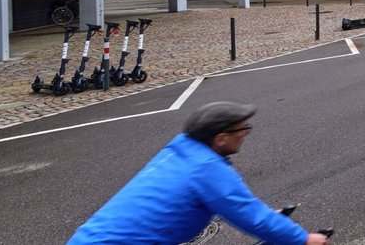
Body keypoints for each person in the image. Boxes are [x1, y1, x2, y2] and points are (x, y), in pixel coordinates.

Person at [68, 102, 329, 245]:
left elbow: (230, 206)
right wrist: (304, 239)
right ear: (220, 138)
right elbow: (252, 218)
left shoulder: (179, 151)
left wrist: (270, 220)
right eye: (242, 129)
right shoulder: (206, 168)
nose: (246, 133)